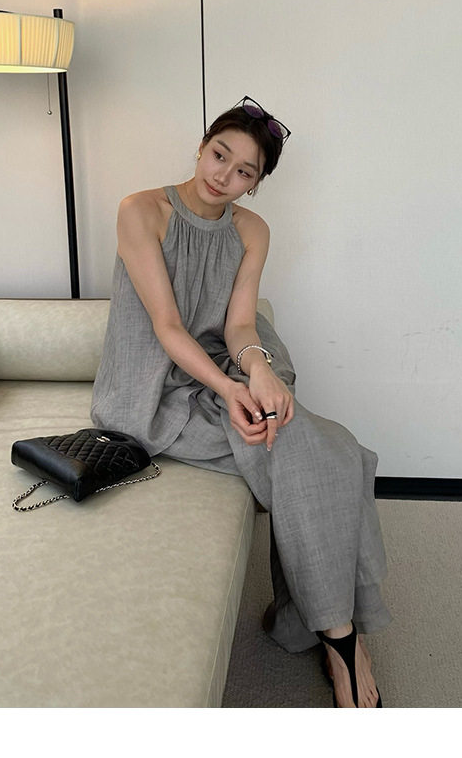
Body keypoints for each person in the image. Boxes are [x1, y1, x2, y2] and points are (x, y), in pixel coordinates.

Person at [91, 95, 390, 707]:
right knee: (336, 454)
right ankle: (343, 638)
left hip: (225, 361)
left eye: (244, 171)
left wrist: (256, 370)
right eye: (219, 155)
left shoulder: (252, 230)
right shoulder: (140, 211)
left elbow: (240, 326)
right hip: (154, 387)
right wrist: (229, 389)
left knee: (313, 446)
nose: (223, 175)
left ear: (256, 184)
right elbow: (168, 327)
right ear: (202, 146)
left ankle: (328, 628)